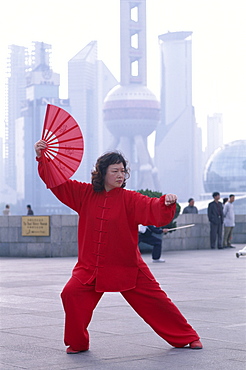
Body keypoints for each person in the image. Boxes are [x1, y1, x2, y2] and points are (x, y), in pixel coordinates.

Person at [34, 139, 203, 353]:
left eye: (123, 171)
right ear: (102, 173)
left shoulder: (129, 199)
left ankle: (188, 337)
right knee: (71, 293)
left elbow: (151, 206)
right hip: (90, 268)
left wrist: (165, 203)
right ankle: (78, 343)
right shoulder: (84, 194)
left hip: (127, 266)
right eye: (115, 170)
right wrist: (43, 158)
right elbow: (59, 183)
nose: (121, 175)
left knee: (158, 302)